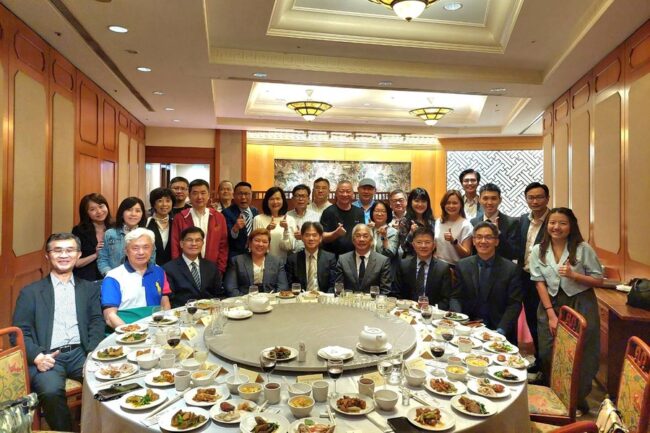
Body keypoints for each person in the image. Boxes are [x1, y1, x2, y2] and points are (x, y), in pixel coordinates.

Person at [13, 233, 104, 431]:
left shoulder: (88, 289)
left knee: (107, 382)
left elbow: (97, 322)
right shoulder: (31, 292)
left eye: (70, 250)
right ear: (48, 255)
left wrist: (92, 352)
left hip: (81, 353)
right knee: (51, 391)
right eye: (57, 250)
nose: (64, 255)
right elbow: (19, 332)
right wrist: (37, 356)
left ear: (78, 254)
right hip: (48, 356)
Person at [529, 207, 602, 414]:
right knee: (548, 351)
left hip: (581, 303)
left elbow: (598, 279)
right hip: (550, 304)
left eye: (562, 223)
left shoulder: (582, 249)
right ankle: (554, 395)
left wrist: (574, 275)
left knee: (580, 353)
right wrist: (551, 314)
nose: (556, 227)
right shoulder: (538, 250)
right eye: (552, 223)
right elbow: (539, 282)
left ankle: (577, 400)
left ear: (571, 226)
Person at [455, 222, 522, 341]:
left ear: (496, 241)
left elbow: (514, 304)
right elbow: (456, 297)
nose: (483, 241)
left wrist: (501, 330)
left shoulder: (511, 269)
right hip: (468, 326)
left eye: (488, 237)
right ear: (473, 241)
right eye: (479, 237)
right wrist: (459, 319)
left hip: (498, 329)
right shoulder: (462, 265)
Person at [101, 228, 172, 328]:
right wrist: (131, 332)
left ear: (152, 249)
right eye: (135, 248)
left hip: (156, 327)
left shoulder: (159, 271)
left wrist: (166, 325)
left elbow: (165, 303)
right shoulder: (113, 277)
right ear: (126, 251)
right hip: (125, 330)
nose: (141, 252)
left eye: (146, 247)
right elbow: (110, 317)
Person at [518, 182, 550, 375]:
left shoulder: (553, 221)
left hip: (545, 281)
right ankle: (538, 361)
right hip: (525, 276)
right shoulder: (523, 220)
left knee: (543, 322)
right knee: (531, 318)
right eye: (531, 197)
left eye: (539, 197)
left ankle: (547, 367)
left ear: (547, 199)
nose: (535, 201)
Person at [170, 179, 229, 274]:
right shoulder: (180, 217)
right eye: (195, 193)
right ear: (189, 196)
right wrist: (179, 270)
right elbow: (175, 245)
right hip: (185, 270)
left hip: (213, 269)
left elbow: (223, 246)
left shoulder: (218, 217)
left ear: (208, 195)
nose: (199, 197)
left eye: (203, 193)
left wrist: (220, 270)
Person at [397, 227, 460, 310]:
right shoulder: (403, 264)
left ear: (434, 245)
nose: (423, 246)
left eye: (427, 242)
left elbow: (446, 299)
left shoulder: (443, 268)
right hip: (406, 311)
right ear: (413, 245)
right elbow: (397, 293)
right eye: (419, 242)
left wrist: (430, 310)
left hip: (432, 312)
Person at [164, 227, 224, 308]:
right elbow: (170, 300)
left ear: (202, 243)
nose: (194, 244)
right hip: (183, 312)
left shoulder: (211, 267)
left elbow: (219, 294)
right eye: (189, 240)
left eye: (198, 240)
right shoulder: (169, 269)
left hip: (210, 311)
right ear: (181, 244)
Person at [223, 228, 289, 296]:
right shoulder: (237, 261)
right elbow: (230, 288)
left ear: (268, 245)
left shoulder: (277, 261)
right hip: (243, 299)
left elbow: (283, 287)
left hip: (271, 299)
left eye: (265, 242)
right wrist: (245, 300)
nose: (260, 244)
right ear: (250, 243)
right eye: (257, 240)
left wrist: (271, 299)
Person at [97, 196, 150, 276]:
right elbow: (102, 259)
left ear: (142, 214)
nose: (133, 214)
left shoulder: (147, 235)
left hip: (141, 277)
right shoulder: (110, 234)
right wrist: (111, 275)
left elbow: (151, 261)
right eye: (129, 210)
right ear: (122, 213)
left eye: (138, 211)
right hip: (114, 278)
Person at [335, 224, 392, 294]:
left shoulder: (382, 261)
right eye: (358, 236)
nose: (361, 239)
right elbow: (338, 288)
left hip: (373, 300)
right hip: (349, 300)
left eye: (365, 236)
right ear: (353, 240)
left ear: (371, 240)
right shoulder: (343, 260)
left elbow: (385, 291)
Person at [470, 183, 520, 261]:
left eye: (493, 198)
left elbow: (514, 254)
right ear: (479, 200)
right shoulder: (473, 222)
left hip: (502, 266)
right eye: (485, 198)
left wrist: (498, 233)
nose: (489, 202)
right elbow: (472, 251)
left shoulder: (512, 223)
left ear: (500, 200)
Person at [285, 222, 337, 292]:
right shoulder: (292, 259)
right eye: (307, 235)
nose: (311, 238)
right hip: (300, 297)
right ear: (302, 237)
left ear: (320, 238)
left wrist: (325, 296)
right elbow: (290, 285)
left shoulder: (330, 258)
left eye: (314, 235)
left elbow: (333, 285)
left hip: (323, 297)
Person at [72, 193, 113, 281]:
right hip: (86, 279)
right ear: (86, 213)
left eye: (101, 206)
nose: (99, 211)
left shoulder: (116, 228)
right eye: (92, 209)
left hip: (112, 277)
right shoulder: (79, 231)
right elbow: (75, 263)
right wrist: (96, 255)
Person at [320, 180, 365, 257]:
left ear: (353, 194)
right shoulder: (328, 212)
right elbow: (322, 236)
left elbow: (362, 233)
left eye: (348, 191)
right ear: (336, 193)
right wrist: (335, 234)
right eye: (341, 191)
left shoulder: (359, 212)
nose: (345, 194)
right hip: (332, 257)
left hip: (354, 256)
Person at [253, 186, 297, 260]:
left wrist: (286, 229)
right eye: (271, 199)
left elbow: (290, 247)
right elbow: (255, 245)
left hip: (283, 263)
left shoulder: (290, 220)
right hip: (262, 261)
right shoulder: (258, 219)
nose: (275, 202)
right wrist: (267, 231)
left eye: (278, 199)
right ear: (266, 201)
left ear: (283, 200)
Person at [434, 190, 473, 266]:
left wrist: (453, 241)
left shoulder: (466, 225)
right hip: (438, 265)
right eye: (448, 203)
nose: (451, 206)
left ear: (461, 205)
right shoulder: (438, 222)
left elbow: (467, 255)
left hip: (456, 267)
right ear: (444, 205)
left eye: (455, 203)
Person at [223, 181, 259, 258]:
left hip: (254, 254)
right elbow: (225, 238)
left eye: (247, 194)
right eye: (240, 194)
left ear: (251, 195)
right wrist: (235, 229)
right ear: (234, 195)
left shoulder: (255, 211)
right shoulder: (226, 213)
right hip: (236, 256)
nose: (243, 197)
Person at [398, 187, 436, 258]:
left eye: (423, 201)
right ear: (410, 202)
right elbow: (404, 247)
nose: (420, 204)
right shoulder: (405, 221)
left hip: (430, 259)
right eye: (416, 201)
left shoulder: (431, 221)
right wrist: (411, 233)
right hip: (412, 260)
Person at [287, 184, 320, 252]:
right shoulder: (286, 217)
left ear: (308, 199)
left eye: (303, 196)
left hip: (311, 253)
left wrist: (303, 236)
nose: (301, 199)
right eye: (297, 196)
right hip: (290, 254)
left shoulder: (317, 217)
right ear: (293, 199)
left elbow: (320, 237)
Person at [146, 187, 174, 266]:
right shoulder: (146, 224)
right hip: (150, 267)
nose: (164, 204)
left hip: (172, 268)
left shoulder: (175, 223)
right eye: (160, 201)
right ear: (154, 204)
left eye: (168, 201)